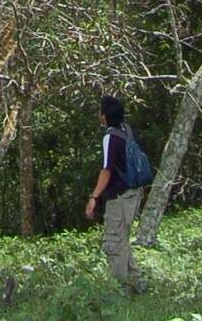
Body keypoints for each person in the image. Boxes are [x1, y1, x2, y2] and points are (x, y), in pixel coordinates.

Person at [85, 94, 145, 294]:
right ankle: (137, 282)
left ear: (105, 115)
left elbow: (106, 170)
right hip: (134, 193)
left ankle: (121, 290)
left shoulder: (110, 136)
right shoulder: (126, 129)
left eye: (100, 111)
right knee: (122, 240)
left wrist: (93, 198)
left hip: (119, 197)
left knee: (114, 243)